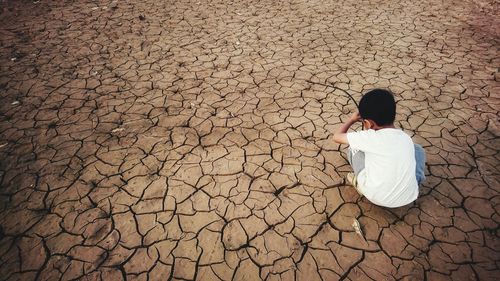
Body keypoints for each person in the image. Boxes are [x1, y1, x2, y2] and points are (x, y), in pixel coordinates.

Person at [333, 89, 426, 208]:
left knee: (353, 148)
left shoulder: (368, 137)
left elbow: (336, 137)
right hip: (409, 196)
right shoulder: (405, 138)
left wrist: (351, 120)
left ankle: (360, 184)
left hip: (376, 196)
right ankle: (416, 181)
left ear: (368, 123)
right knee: (417, 149)